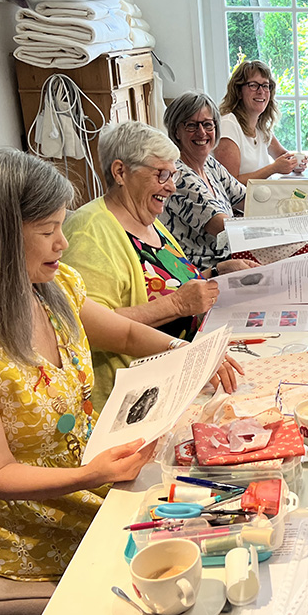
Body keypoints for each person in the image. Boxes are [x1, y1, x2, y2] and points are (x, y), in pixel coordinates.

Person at [0, 149, 241, 580]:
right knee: (196, 540)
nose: (64, 243)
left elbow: (128, 334)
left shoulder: (50, 289)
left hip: (90, 469)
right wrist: (89, 474)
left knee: (218, 495)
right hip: (30, 515)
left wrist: (190, 356)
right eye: (48, 230)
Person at [62, 121, 226, 412]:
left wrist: (216, 273)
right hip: (137, 398)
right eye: (161, 174)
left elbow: (170, 283)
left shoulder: (147, 219)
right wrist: (176, 305)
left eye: (173, 175)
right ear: (120, 172)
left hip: (184, 373)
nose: (172, 186)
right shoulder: (91, 230)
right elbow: (87, 329)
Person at [160, 90, 256, 275]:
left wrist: (295, 207)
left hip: (228, 263)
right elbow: (224, 228)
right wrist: (284, 226)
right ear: (176, 131)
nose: (202, 132)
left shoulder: (209, 163)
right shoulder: (179, 176)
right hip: (201, 276)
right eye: (191, 125)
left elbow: (249, 199)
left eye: (207, 124)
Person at [214, 60, 305, 183]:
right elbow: (230, 184)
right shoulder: (228, 125)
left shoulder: (260, 127)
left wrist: (297, 163)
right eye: (253, 85)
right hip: (242, 202)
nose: (261, 91)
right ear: (239, 91)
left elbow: (282, 155)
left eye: (265, 85)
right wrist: (273, 169)